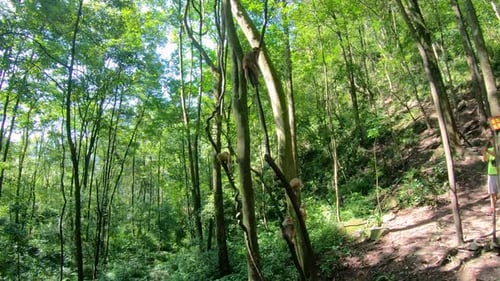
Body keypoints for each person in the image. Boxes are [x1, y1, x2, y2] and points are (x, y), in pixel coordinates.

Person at [481, 139, 498, 215]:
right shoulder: (490, 150)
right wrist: (484, 152)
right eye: (492, 140)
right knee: (492, 193)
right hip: (491, 174)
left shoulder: (494, 150)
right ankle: (492, 208)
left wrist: (486, 150)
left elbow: (497, 155)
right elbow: (485, 160)